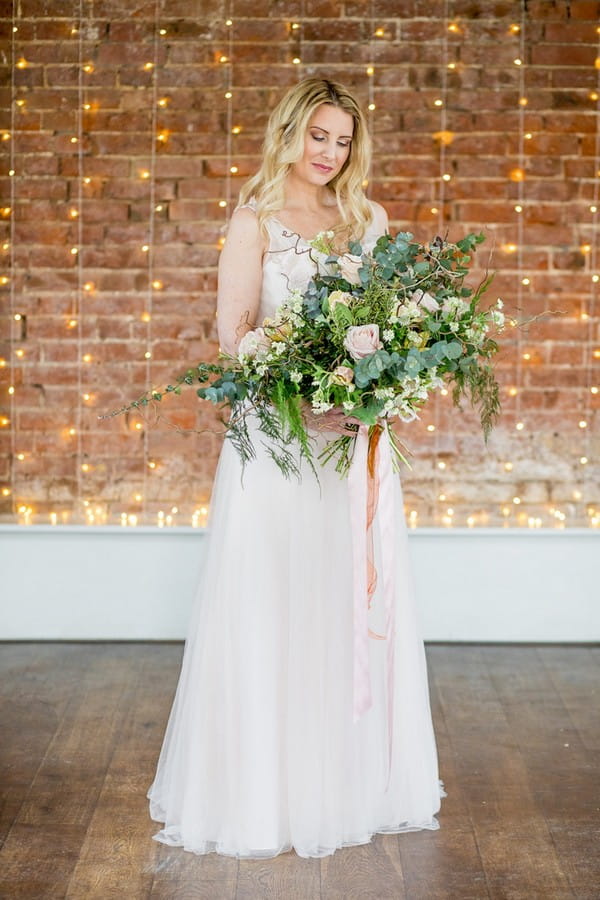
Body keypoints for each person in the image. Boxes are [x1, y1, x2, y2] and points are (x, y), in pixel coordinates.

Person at [147, 77, 445, 860]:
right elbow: (235, 335)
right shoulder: (254, 222)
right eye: (319, 136)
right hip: (279, 446)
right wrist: (301, 402)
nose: (331, 153)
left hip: (351, 444)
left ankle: (347, 785)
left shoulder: (367, 218)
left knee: (343, 603)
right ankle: (264, 795)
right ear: (289, 132)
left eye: (343, 140)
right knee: (271, 603)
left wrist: (384, 387)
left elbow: (386, 323)